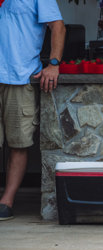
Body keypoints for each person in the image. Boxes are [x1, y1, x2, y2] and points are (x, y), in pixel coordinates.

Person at [0, 0, 66, 220]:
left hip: (20, 76)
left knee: (19, 142)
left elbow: (57, 25)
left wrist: (54, 63)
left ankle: (6, 202)